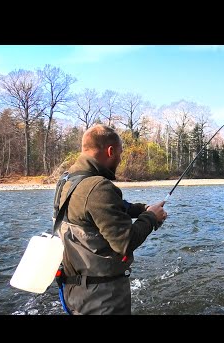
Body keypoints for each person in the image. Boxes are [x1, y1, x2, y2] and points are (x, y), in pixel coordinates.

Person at [54, 124, 167, 315]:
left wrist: (142, 209)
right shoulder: (98, 187)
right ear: (110, 151)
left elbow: (111, 207)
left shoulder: (67, 181)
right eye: (120, 154)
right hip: (101, 298)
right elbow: (126, 242)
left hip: (74, 290)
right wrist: (151, 217)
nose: (121, 159)